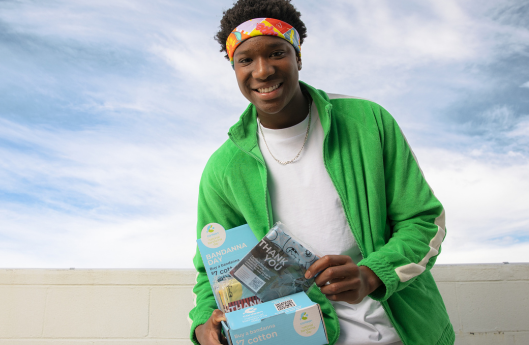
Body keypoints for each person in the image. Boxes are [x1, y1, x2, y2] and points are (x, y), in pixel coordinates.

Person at [189, 1, 455, 344]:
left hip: (400, 333)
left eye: (276, 53)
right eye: (245, 60)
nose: (263, 71)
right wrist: (202, 325)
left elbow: (423, 221)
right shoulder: (223, 168)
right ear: (234, 68)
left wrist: (371, 274)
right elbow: (214, 271)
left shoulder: (368, 123)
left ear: (298, 57)